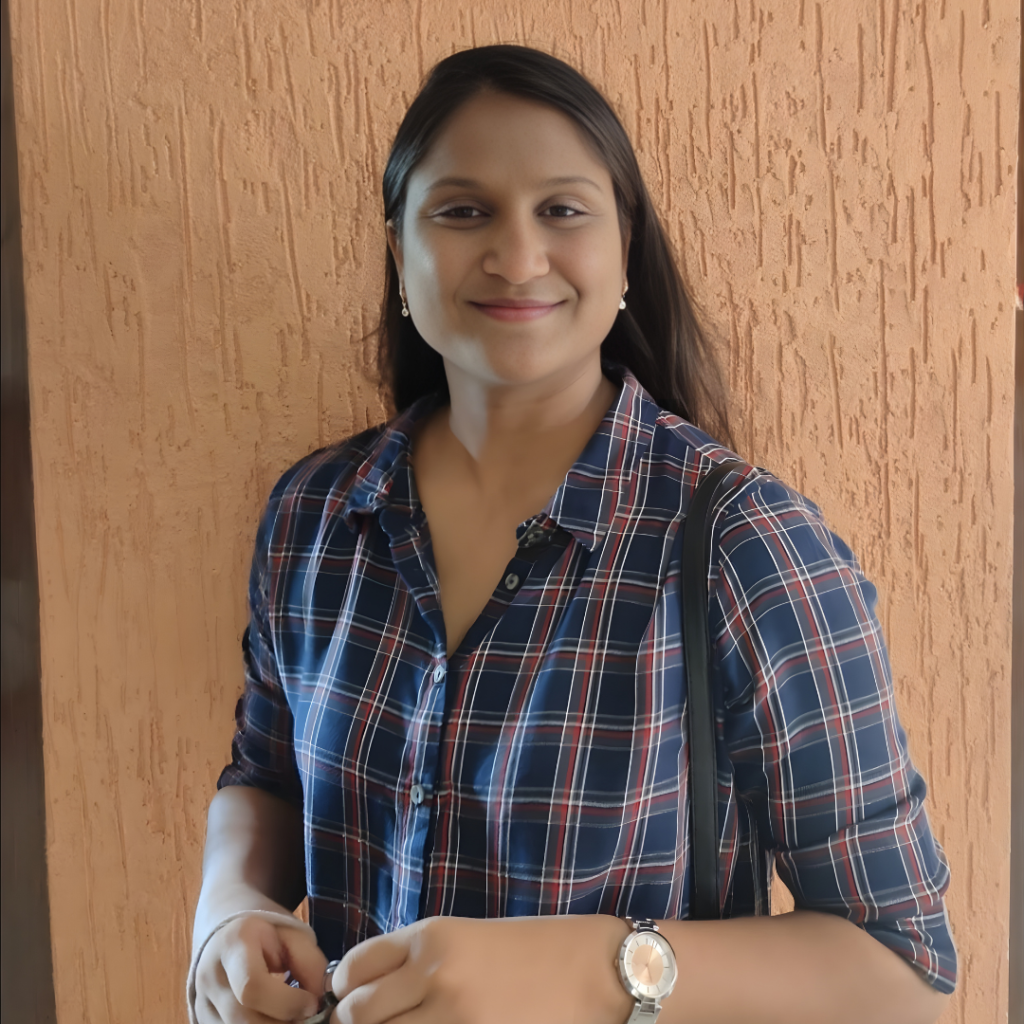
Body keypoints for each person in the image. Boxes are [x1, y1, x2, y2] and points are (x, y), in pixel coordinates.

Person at [189, 44, 956, 1024]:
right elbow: (265, 776)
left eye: (561, 210)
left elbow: (903, 972)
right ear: (398, 248)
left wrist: (594, 967)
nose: (517, 258)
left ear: (624, 245)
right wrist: (228, 907)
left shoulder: (744, 544)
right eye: (462, 211)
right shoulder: (315, 513)